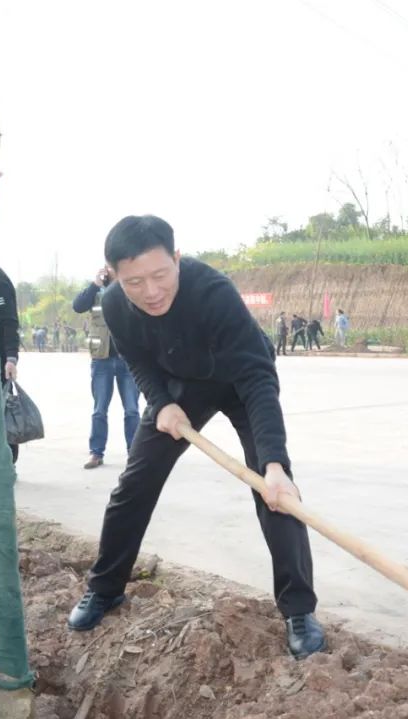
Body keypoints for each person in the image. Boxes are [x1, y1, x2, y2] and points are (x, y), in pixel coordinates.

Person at [66, 215, 325, 660]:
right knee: (134, 486)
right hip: (181, 389)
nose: (150, 291)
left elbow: (258, 379)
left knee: (276, 493)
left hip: (241, 381)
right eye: (134, 282)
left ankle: (299, 609)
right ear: (113, 275)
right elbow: (138, 360)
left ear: (177, 260)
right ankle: (105, 588)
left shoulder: (213, 292)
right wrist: (161, 401)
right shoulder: (112, 304)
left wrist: (275, 464)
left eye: (160, 275)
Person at [72, 265, 140, 469]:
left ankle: (135, 454)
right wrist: (95, 284)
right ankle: (96, 453)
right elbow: (78, 306)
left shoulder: (131, 287)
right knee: (99, 410)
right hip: (101, 359)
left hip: (128, 360)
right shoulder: (95, 291)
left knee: (132, 410)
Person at [0, 264, 21, 470]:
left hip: (0, 361)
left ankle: (7, 461)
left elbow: (10, 322)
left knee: (3, 411)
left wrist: (11, 358)